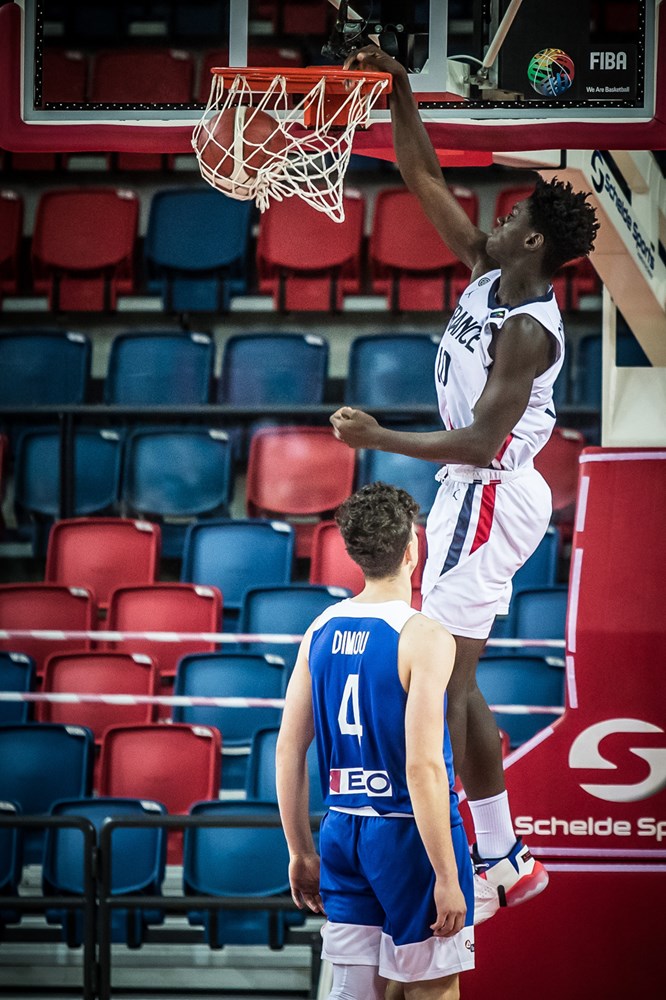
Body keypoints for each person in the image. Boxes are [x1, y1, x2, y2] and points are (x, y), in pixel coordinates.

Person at [330, 45, 599, 915]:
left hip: (487, 489)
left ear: (531, 240)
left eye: (515, 209)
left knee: (433, 668)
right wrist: (399, 89)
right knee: (451, 679)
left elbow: (483, 443)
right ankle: (505, 858)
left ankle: (478, 849)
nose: (500, 214)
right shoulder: (492, 264)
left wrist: (379, 435)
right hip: (479, 496)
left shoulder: (527, 329)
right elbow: (421, 175)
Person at [276, 482, 481, 1000]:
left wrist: (300, 851)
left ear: (352, 551)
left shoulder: (320, 627)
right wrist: (446, 875)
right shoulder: (425, 635)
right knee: (433, 988)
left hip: (341, 828)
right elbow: (424, 768)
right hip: (408, 831)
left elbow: (288, 750)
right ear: (413, 548)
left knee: (350, 989)